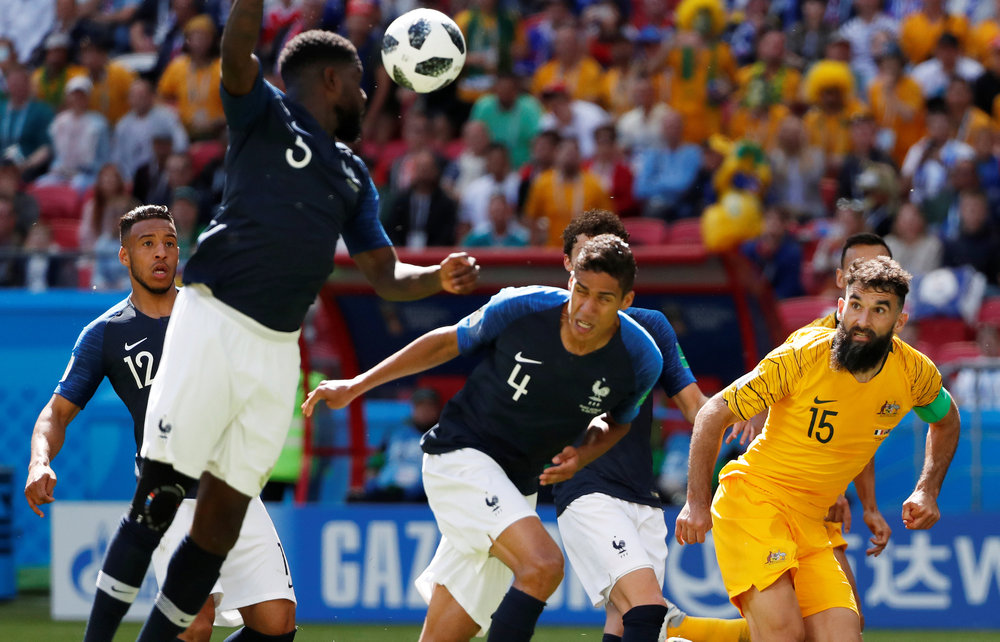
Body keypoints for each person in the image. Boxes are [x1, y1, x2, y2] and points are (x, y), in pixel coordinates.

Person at [81, 5, 480, 640]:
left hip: (276, 352)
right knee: (160, 499)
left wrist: (436, 278)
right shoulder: (264, 115)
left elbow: (383, 274)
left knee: (215, 530)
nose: (365, 92)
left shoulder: (353, 176)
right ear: (328, 80)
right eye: (356, 81)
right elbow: (238, 51)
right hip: (213, 317)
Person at [304, 234, 662, 642]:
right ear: (569, 282)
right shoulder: (524, 307)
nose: (586, 307)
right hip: (460, 456)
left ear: (626, 302)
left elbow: (617, 422)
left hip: (516, 488)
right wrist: (356, 385)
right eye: (581, 291)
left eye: (603, 298)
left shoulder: (639, 359)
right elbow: (445, 342)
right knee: (543, 565)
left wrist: (582, 455)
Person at [23, 205, 298, 642]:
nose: (161, 253)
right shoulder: (106, 333)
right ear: (124, 257)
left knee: (277, 625)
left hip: (231, 487)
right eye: (147, 244)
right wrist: (40, 461)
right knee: (195, 626)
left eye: (169, 243)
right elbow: (56, 413)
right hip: (168, 496)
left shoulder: (215, 313)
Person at [677, 256, 961, 641]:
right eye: (856, 305)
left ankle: (684, 634)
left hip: (813, 520)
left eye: (880, 310)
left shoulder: (915, 373)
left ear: (899, 322)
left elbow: (946, 420)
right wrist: (697, 501)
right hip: (754, 502)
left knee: (844, 635)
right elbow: (713, 413)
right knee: (783, 632)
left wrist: (927, 489)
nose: (863, 320)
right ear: (841, 308)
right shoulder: (803, 355)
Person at [553, 210, 750, 642]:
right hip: (586, 491)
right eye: (585, 254)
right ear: (569, 264)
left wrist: (746, 405)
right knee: (647, 608)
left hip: (641, 497)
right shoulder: (545, 325)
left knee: (625, 621)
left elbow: (698, 408)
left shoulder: (651, 326)